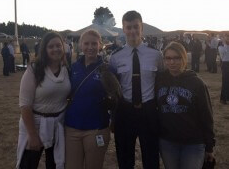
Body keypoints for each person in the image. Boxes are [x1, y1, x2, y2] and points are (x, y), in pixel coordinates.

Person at [109, 10, 164, 169]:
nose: (132, 31)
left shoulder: (155, 55)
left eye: (136, 27)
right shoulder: (115, 57)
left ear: (142, 28)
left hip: (149, 110)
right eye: (129, 27)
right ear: (123, 29)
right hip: (125, 111)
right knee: (125, 158)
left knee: (151, 157)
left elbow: (160, 80)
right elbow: (113, 89)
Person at [155, 42, 215, 169]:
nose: (172, 62)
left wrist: (209, 146)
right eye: (168, 58)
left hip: (193, 143)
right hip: (167, 142)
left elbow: (206, 115)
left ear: (184, 58)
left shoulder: (196, 83)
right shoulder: (159, 80)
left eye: (176, 58)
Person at [16, 32, 71, 169]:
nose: (55, 49)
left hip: (58, 125)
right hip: (35, 125)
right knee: (28, 164)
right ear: (44, 49)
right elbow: (25, 105)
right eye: (51, 46)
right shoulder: (34, 70)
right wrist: (32, 134)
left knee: (54, 164)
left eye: (58, 45)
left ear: (63, 47)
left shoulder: (66, 69)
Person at [65, 30, 111, 169]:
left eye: (94, 43)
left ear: (100, 45)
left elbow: (115, 97)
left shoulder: (108, 69)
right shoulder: (72, 68)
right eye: (86, 43)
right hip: (72, 127)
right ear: (80, 45)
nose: (90, 47)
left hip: (97, 128)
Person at [218, 34, 229, 104]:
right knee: (225, 82)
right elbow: (224, 55)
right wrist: (225, 44)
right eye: (226, 38)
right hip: (225, 64)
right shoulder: (220, 47)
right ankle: (223, 98)